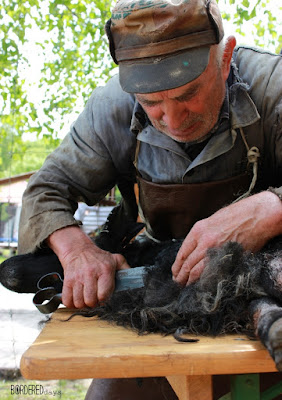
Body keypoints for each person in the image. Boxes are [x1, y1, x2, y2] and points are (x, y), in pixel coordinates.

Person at [18, 0, 282, 398]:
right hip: (162, 304)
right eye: (151, 102)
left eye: (188, 93)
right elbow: (45, 192)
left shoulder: (272, 86)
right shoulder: (110, 109)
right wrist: (78, 253)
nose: (173, 121)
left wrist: (270, 208)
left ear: (224, 58)